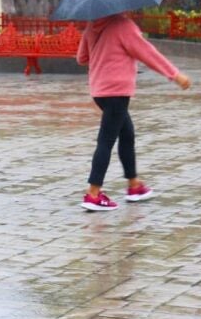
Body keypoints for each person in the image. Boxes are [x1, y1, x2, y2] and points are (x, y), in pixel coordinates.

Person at [75, 12, 191, 212]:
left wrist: (102, 51)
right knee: (106, 141)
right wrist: (175, 75)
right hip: (117, 91)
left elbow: (81, 58)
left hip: (99, 91)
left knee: (126, 134)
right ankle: (93, 194)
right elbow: (147, 53)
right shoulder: (123, 25)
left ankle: (134, 185)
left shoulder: (92, 25)